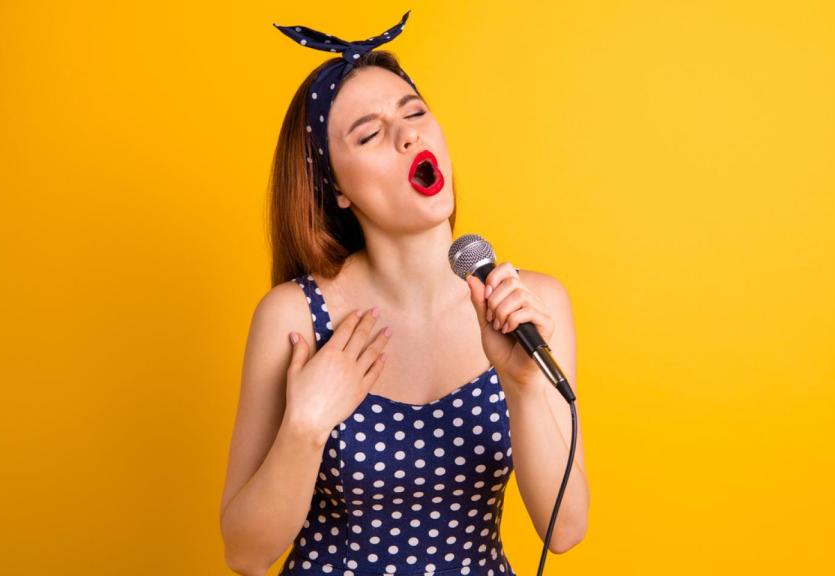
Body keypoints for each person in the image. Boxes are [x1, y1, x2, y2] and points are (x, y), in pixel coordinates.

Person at [219, 15, 588, 576]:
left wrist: (523, 386)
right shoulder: (295, 317)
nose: (408, 134)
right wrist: (306, 425)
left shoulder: (533, 305)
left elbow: (564, 530)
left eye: (414, 112)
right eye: (368, 134)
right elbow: (245, 555)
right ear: (335, 188)